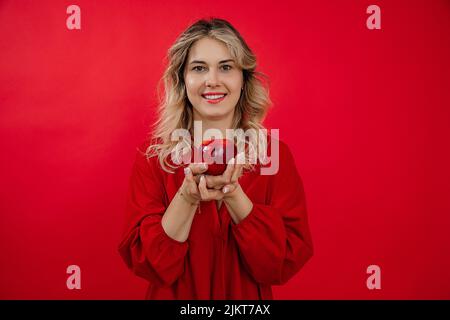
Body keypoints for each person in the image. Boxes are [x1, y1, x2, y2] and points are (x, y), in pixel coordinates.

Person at [118, 17, 313, 300]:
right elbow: (151, 264)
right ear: (182, 80)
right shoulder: (154, 159)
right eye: (199, 68)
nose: (213, 81)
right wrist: (186, 197)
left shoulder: (274, 156)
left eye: (226, 67)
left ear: (243, 80)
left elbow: (279, 263)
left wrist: (233, 195)